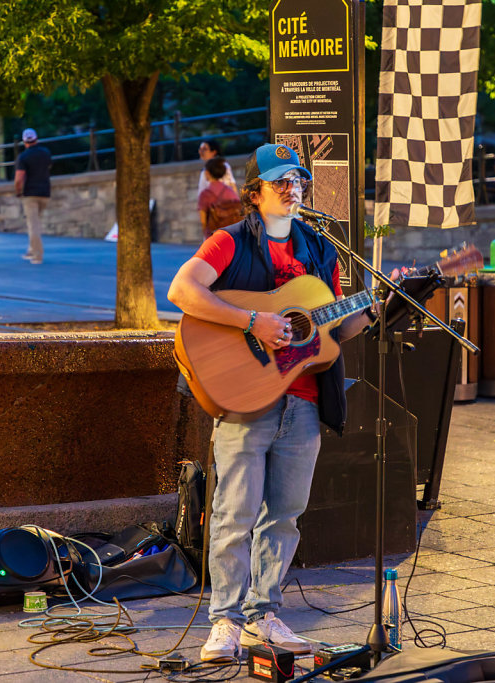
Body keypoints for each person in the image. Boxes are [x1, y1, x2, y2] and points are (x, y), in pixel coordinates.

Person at [168, 143, 374, 662]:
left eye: (298, 179)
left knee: (285, 515)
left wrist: (377, 307)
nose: (292, 188)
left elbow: (327, 327)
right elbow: (182, 290)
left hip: (302, 402)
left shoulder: (318, 249)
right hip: (246, 396)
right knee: (234, 514)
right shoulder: (230, 241)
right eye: (280, 180)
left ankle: (264, 614)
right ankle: (224, 622)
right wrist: (252, 321)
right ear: (255, 192)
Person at [15, 128, 52, 264]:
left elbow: (19, 178)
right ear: (36, 139)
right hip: (45, 192)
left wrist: (18, 191)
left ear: (24, 142)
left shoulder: (23, 157)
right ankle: (31, 250)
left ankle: (37, 255)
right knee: (36, 223)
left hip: (30, 193)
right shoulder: (46, 153)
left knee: (33, 225)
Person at [197, 157, 242, 240]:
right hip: (231, 235)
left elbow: (203, 221)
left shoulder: (205, 195)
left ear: (207, 173)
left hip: (214, 236)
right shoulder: (229, 191)